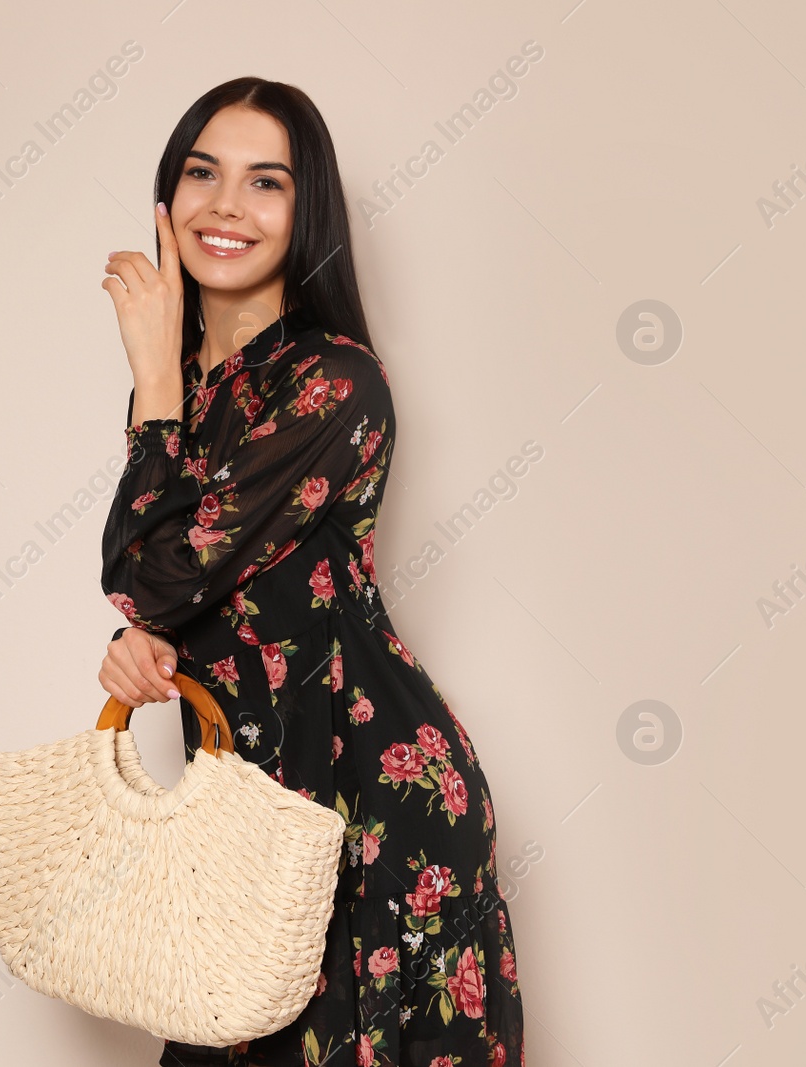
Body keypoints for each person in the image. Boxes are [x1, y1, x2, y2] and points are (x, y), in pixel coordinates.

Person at [97, 77, 524, 1067]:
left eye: (266, 182)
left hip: (368, 793)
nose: (226, 205)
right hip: (246, 792)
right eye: (202, 171)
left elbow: (155, 572)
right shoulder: (188, 381)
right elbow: (174, 583)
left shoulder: (335, 379)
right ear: (167, 195)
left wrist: (156, 386)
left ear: (306, 212)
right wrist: (139, 646)